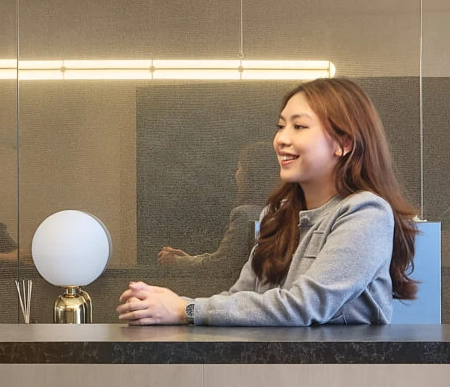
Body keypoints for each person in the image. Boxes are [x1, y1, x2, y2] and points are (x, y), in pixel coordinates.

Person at [117, 77, 421, 326]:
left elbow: (304, 306)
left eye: (298, 126)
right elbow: (240, 297)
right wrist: (166, 306)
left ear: (343, 143)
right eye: (280, 126)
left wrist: (185, 309)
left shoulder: (366, 212)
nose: (281, 139)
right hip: (271, 379)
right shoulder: (276, 215)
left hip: (338, 386)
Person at [156, 140, 272, 276]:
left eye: (240, 167)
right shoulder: (283, 212)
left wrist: (178, 262)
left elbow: (222, 264)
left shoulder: (245, 215)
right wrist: (189, 259)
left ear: (252, 174)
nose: (236, 174)